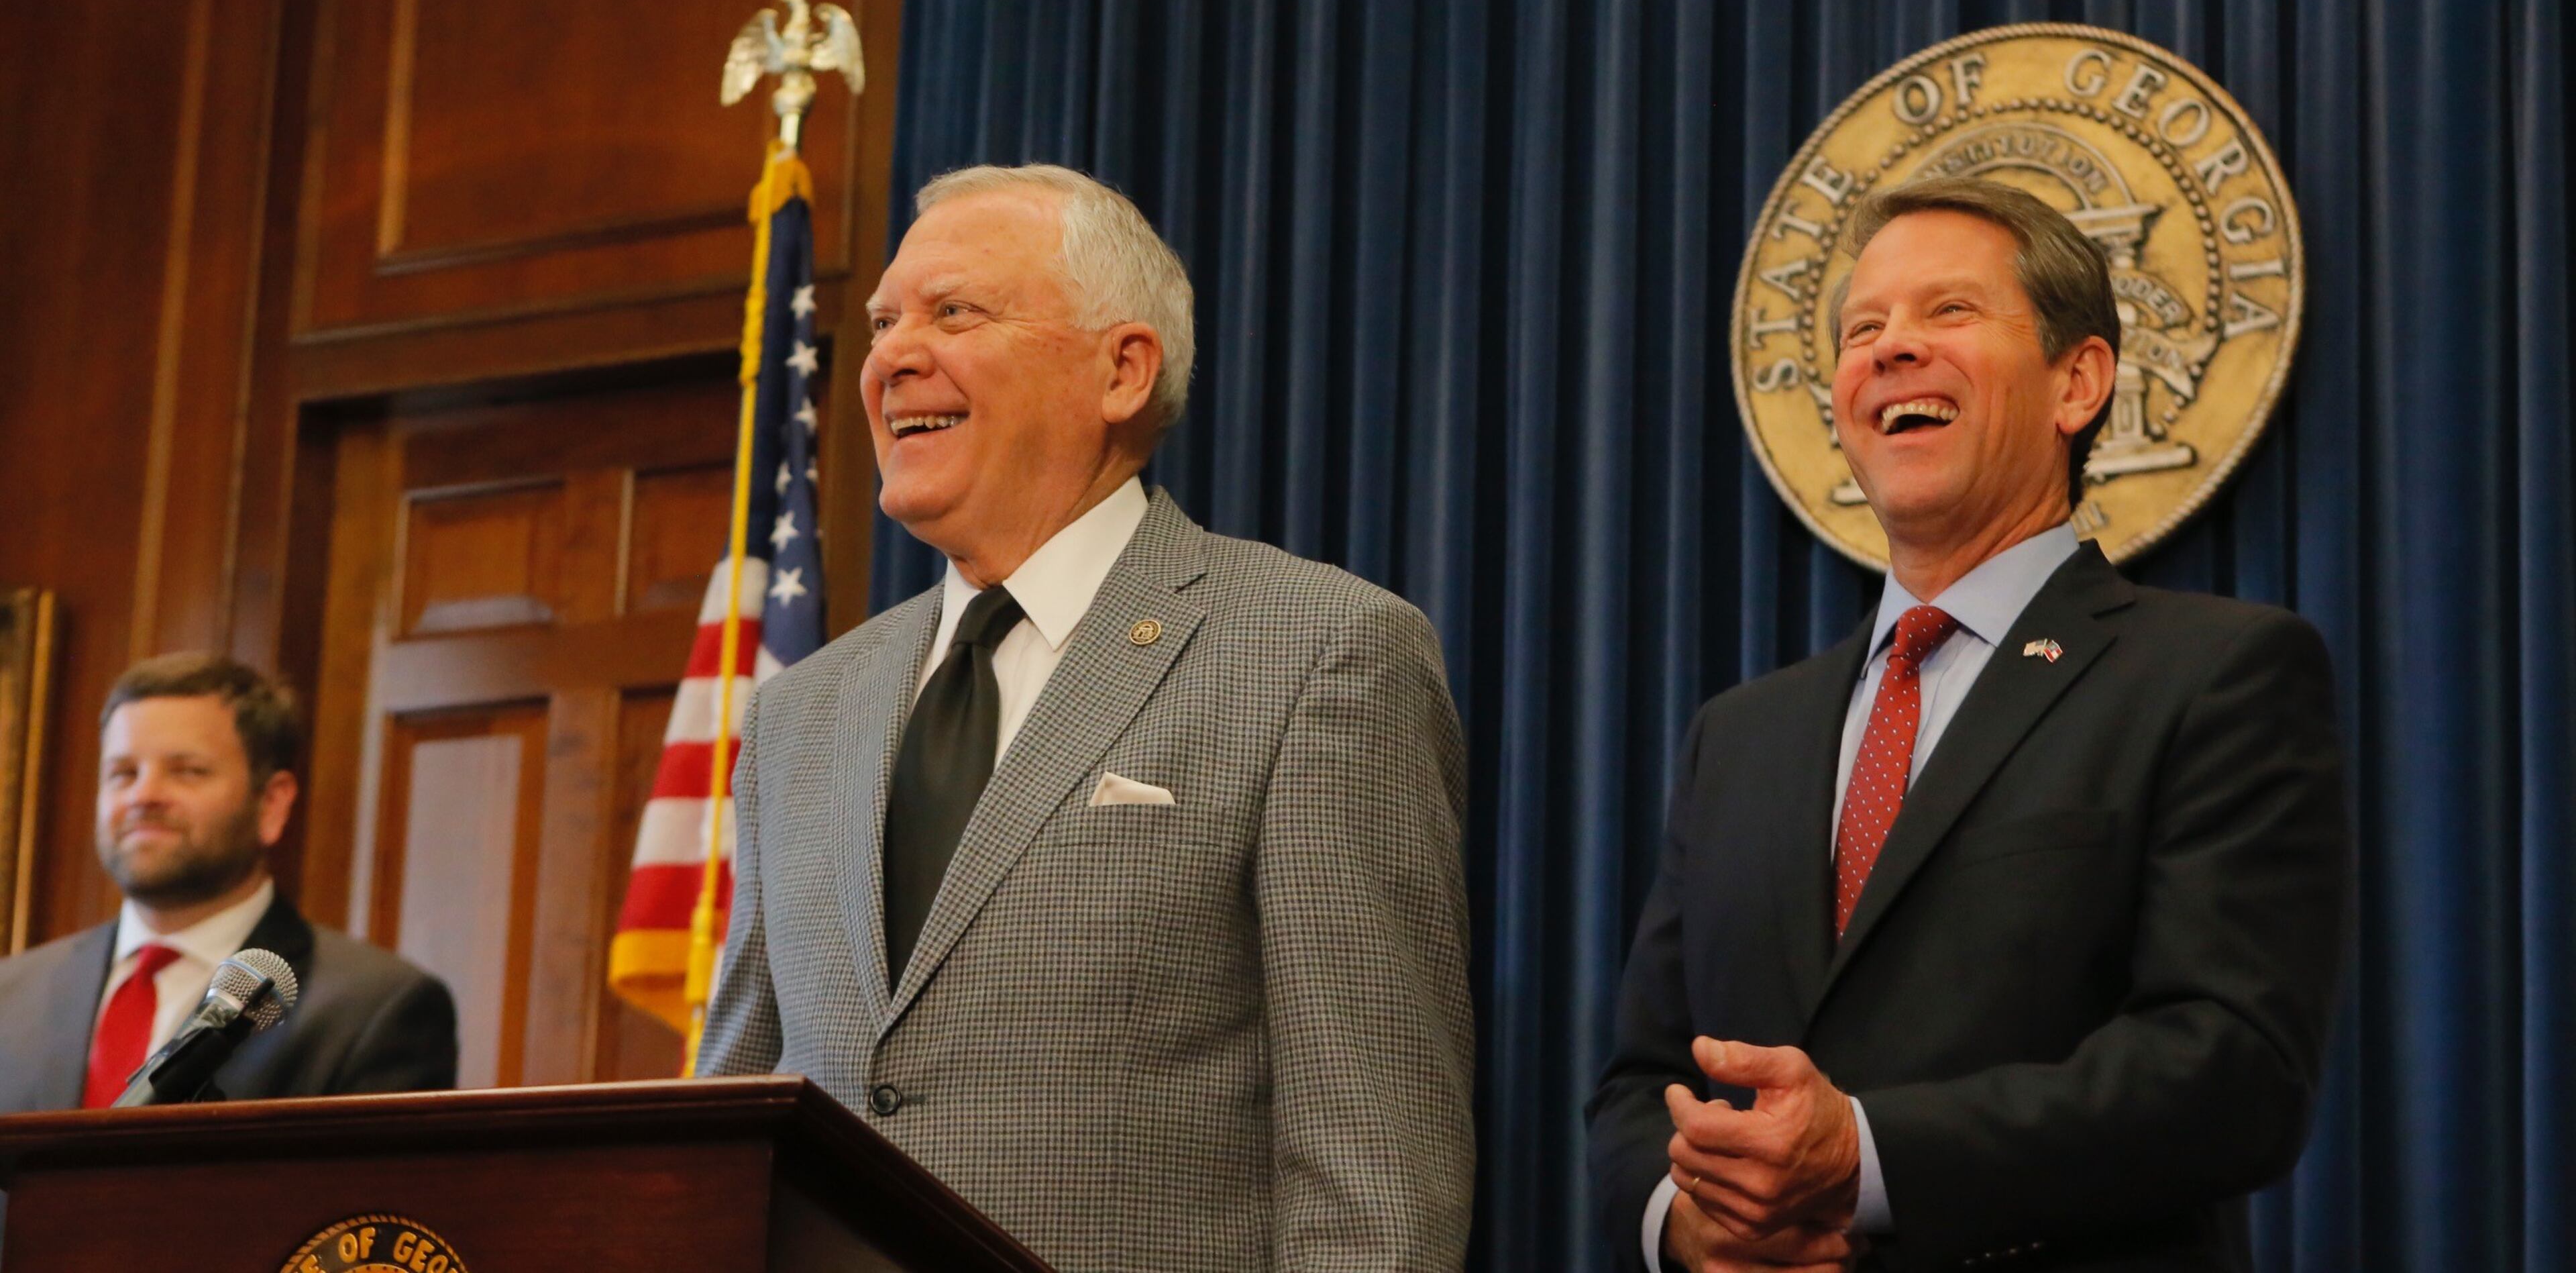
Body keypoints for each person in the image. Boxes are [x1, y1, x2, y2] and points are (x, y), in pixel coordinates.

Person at [696, 164, 1475, 1270]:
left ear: (1123, 369)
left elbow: (1373, 1173)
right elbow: (739, 1124)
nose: (890, 357)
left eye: (953, 312)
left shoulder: (1319, 655)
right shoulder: (800, 713)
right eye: (880, 323)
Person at [1588, 179, 2348, 1272]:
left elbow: (2232, 1069)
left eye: (1947, 312)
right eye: (1863, 328)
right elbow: (1635, 1084)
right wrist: (1686, 1222)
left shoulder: (2218, 675)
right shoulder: (1738, 736)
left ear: (2076, 382)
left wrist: (1866, 1153)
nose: (1892, 349)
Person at [0, 654, 456, 1112]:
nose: (144, 796)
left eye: (187, 771)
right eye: (123, 774)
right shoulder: (12, 994)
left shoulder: (375, 1009)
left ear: (272, 804)